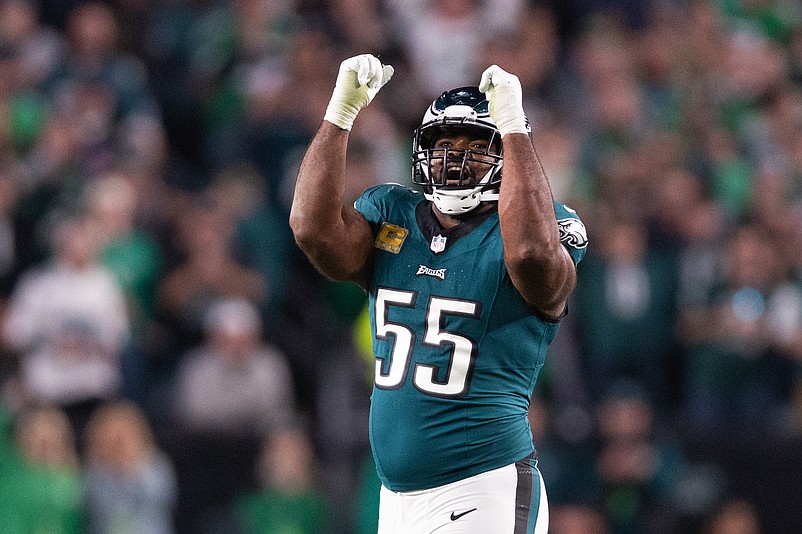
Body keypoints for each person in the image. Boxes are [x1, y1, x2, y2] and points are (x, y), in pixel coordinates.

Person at [290, 54, 587, 533]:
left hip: (482, 486)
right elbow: (312, 230)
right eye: (443, 143)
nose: (454, 157)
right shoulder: (392, 213)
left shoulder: (544, 226)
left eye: (474, 145)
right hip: (396, 497)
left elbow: (533, 255)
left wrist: (515, 128)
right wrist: (338, 117)